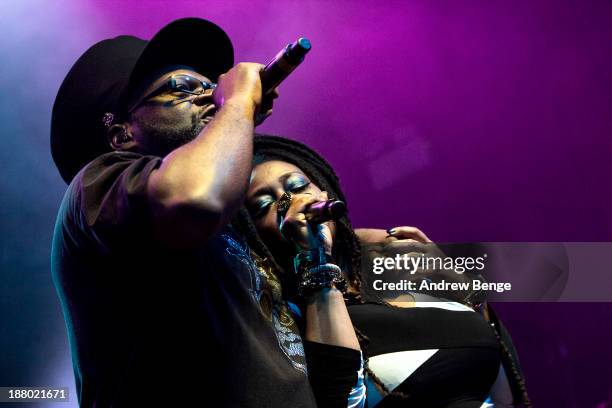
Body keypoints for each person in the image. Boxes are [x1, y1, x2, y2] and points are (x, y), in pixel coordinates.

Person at [50, 18, 364, 407]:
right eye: (181, 89)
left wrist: (319, 259)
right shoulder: (97, 186)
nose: (209, 95)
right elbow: (196, 198)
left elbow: (333, 388)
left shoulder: (230, 232)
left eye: (209, 85)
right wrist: (237, 105)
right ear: (123, 135)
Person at [236, 134, 532, 407]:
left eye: (298, 187)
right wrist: (314, 259)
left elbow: (504, 396)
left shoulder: (394, 268)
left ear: (324, 192)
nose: (291, 202)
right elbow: (343, 400)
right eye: (264, 205)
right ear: (252, 235)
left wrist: (460, 285)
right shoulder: (288, 317)